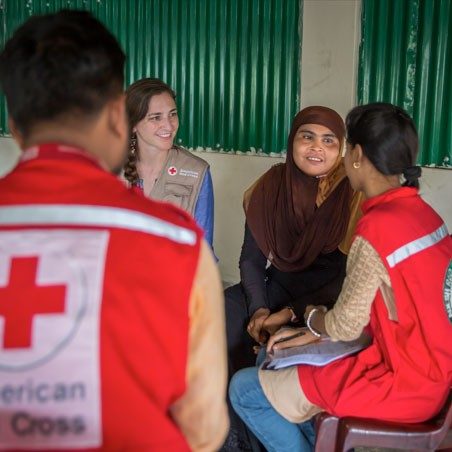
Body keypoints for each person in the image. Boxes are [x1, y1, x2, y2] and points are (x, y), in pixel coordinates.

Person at [0, 10, 228, 451]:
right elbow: (203, 427)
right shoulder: (177, 245)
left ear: (14, 127)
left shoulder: (193, 182)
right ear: (118, 120)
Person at [229, 103, 452, 452]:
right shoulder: (427, 217)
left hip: (400, 380)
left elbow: (346, 324)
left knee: (245, 388)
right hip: (430, 371)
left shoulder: (376, 226)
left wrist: (310, 321)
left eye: (340, 146)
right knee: (270, 354)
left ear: (357, 155)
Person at [222, 106, 362, 450]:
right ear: (292, 141)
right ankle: (235, 439)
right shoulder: (271, 185)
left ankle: (278, 435)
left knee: (273, 353)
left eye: (329, 140)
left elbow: (346, 278)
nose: (317, 148)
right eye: (307, 137)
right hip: (277, 288)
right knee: (223, 316)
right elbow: (252, 260)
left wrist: (286, 316)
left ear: (341, 148)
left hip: (328, 300)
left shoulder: (353, 193)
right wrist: (258, 310)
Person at [123, 78, 215, 248]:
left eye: (172, 114)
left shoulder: (196, 172)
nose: (169, 125)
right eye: (156, 118)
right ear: (133, 124)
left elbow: (203, 249)